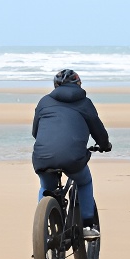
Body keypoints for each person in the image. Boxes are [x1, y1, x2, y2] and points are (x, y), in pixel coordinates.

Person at [32, 69, 111, 239]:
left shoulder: (44, 102)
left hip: (42, 157)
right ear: (78, 85)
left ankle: (42, 231)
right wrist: (104, 145)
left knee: (46, 187)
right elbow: (98, 131)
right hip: (73, 158)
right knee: (84, 182)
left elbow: (35, 132)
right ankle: (88, 226)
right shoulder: (85, 103)